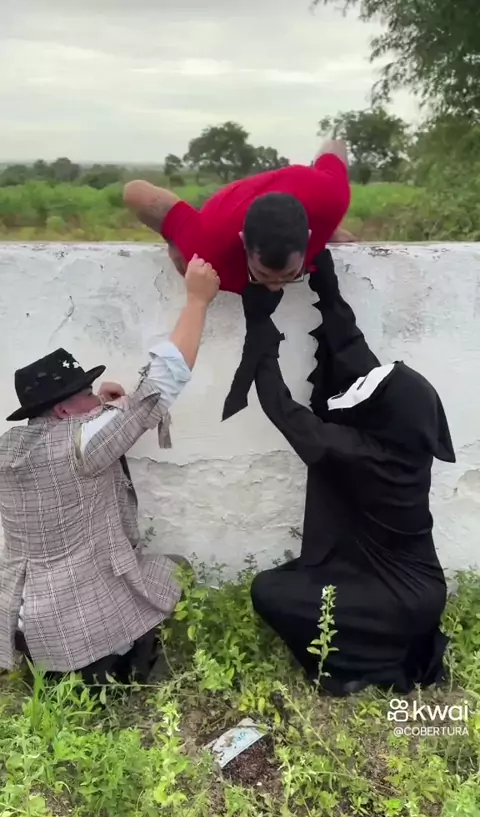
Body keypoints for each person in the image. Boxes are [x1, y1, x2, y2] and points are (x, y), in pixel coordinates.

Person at [0, 256, 220, 684]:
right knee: (174, 569)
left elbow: (70, 448)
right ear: (64, 411)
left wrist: (101, 408)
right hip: (80, 629)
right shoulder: (81, 443)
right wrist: (197, 300)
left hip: (26, 624)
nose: (93, 398)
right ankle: (135, 667)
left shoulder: (10, 448)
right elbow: (160, 386)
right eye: (85, 393)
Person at [249, 249, 456, 696]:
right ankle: (386, 645)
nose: (361, 387)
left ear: (388, 412)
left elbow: (283, 410)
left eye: (372, 392)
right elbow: (354, 352)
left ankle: (365, 669)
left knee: (269, 590)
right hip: (413, 586)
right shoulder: (403, 438)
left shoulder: (363, 453)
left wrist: (258, 326)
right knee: (297, 578)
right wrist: (325, 280)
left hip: (400, 598)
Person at [123, 139, 353, 295]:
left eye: (291, 275)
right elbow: (134, 191)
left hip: (307, 188)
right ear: (243, 242)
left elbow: (335, 144)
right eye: (261, 274)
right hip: (226, 212)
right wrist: (172, 234)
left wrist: (328, 229)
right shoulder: (207, 248)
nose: (274, 288)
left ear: (308, 237)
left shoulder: (331, 196)